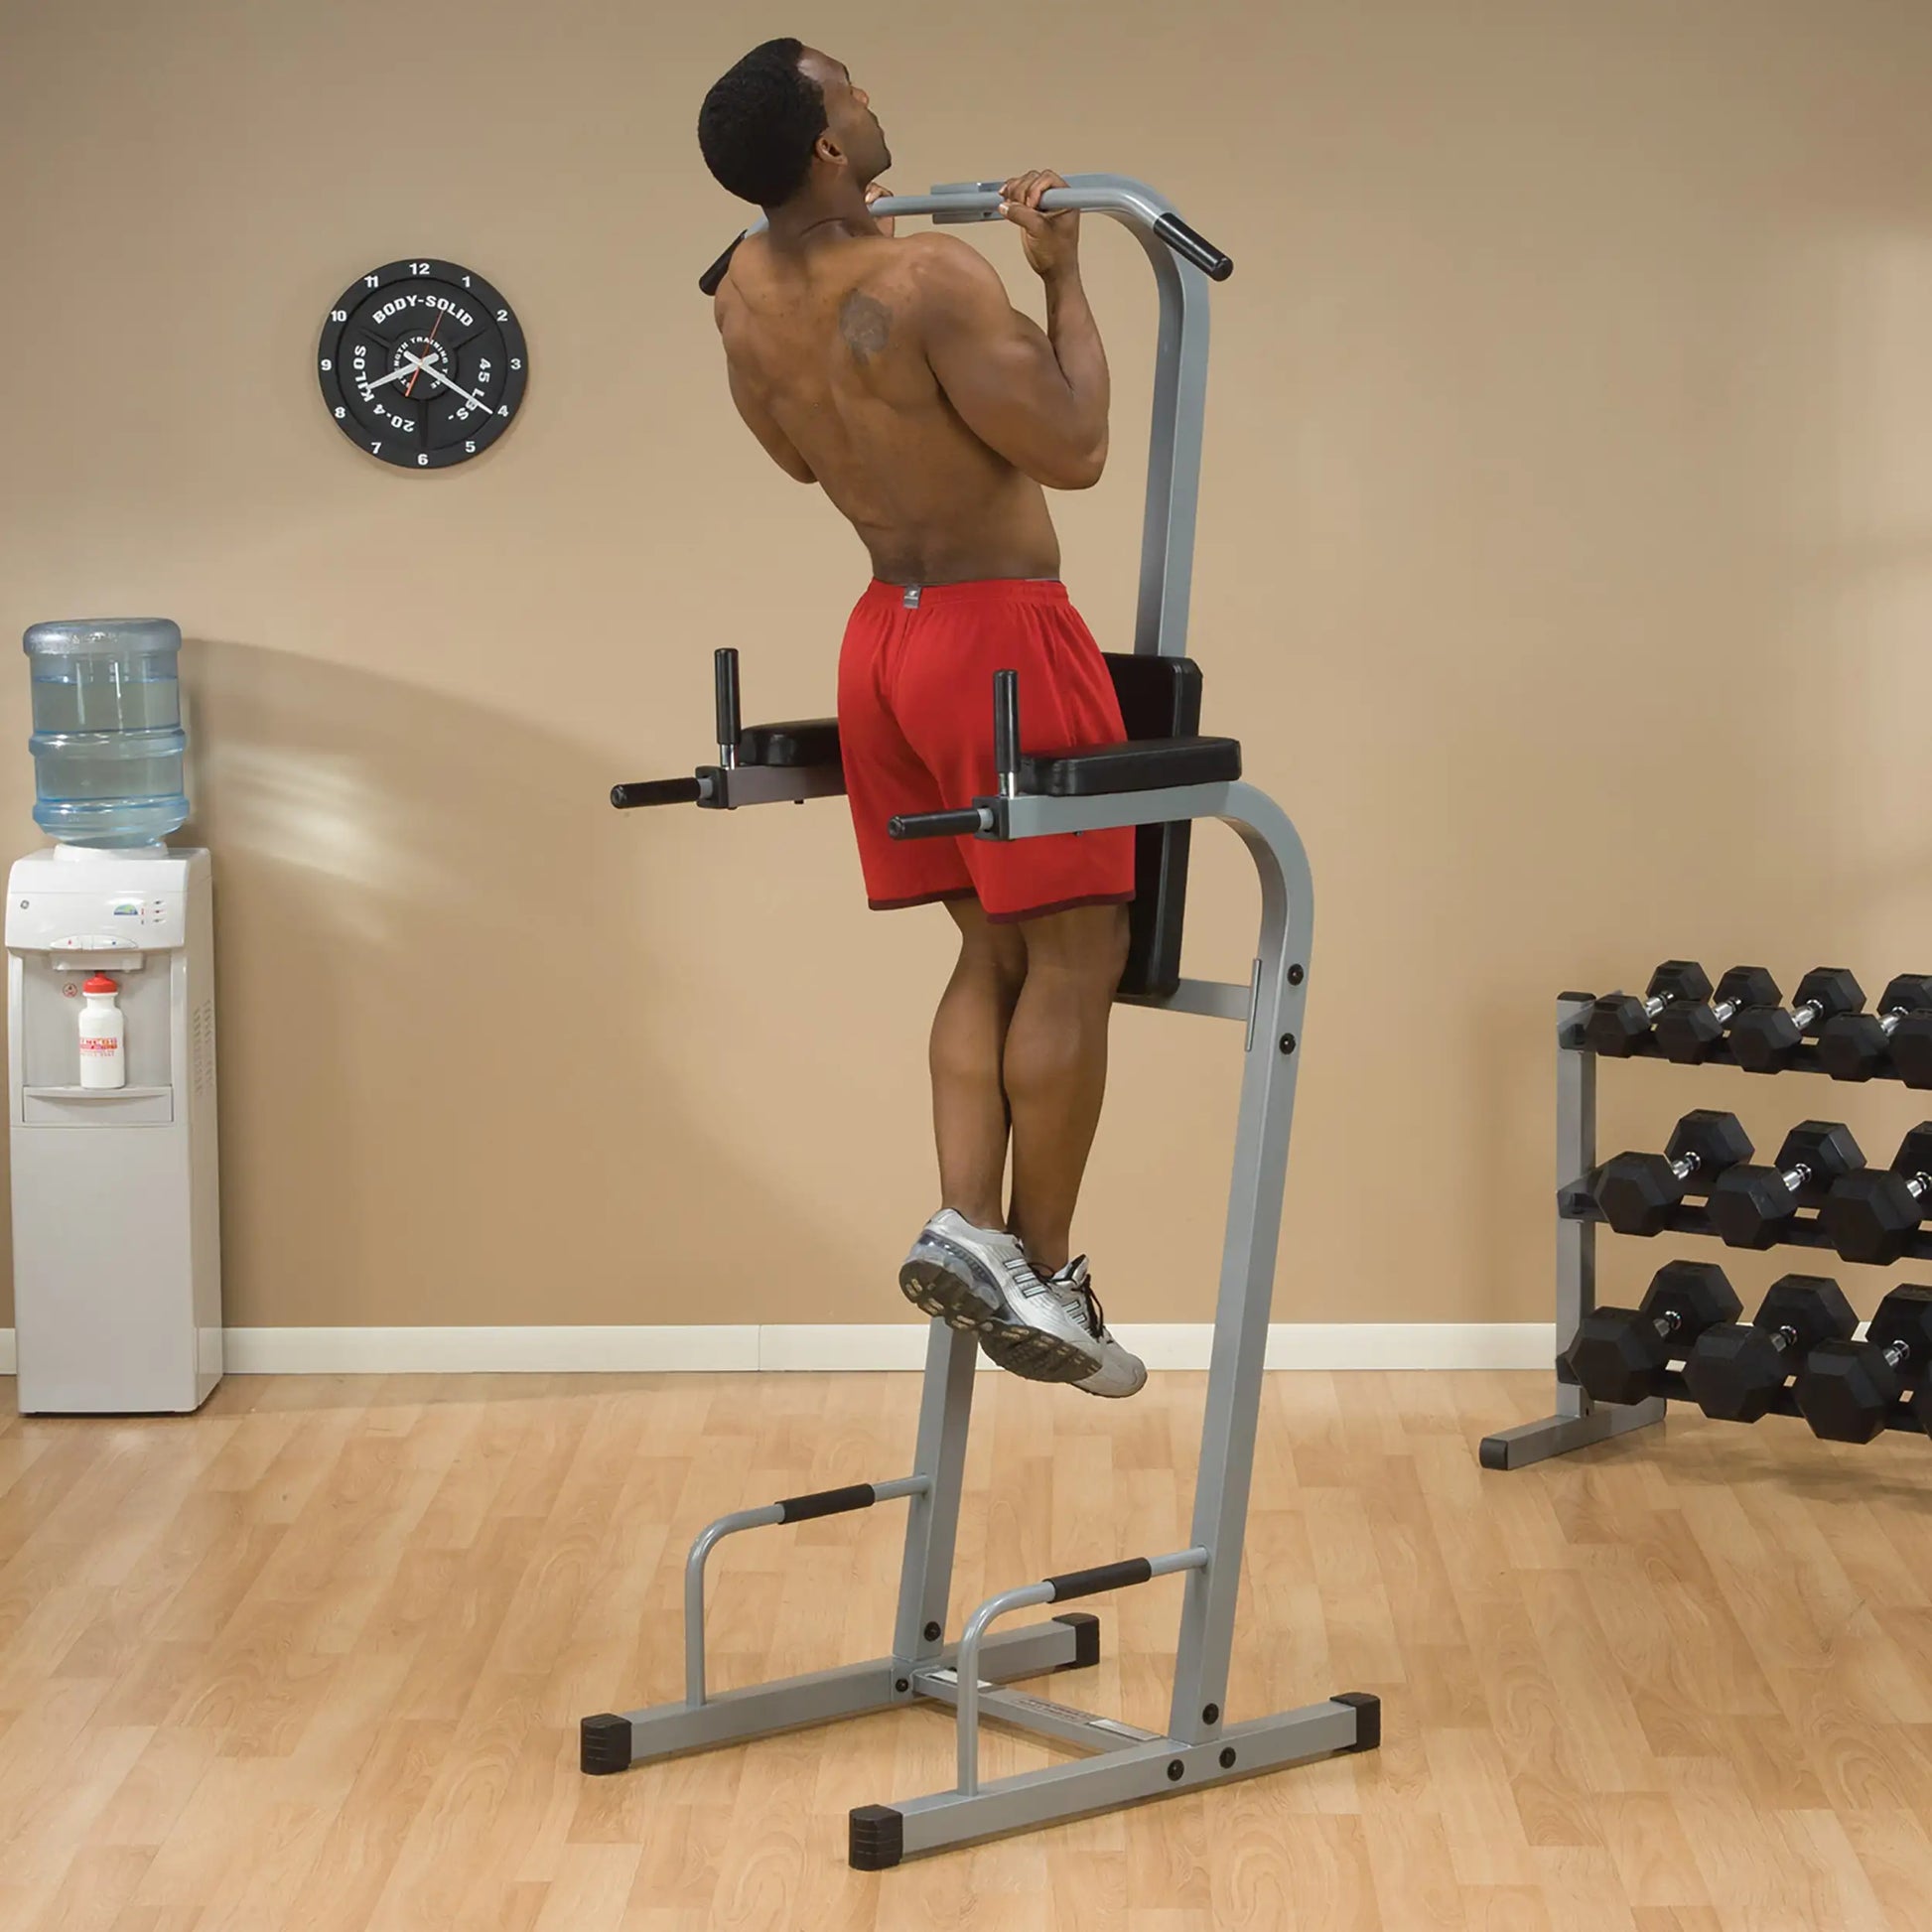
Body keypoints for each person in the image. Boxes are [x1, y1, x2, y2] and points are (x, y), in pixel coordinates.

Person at [698, 40, 1144, 1399]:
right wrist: (1063, 278)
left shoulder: (739, 292)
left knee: (986, 949)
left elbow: (787, 456)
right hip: (995, 630)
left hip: (881, 639)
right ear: (828, 147)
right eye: (851, 89)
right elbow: (1072, 445)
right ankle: (1050, 1272)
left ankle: (970, 1230)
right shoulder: (930, 277)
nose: (870, 98)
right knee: (1073, 955)